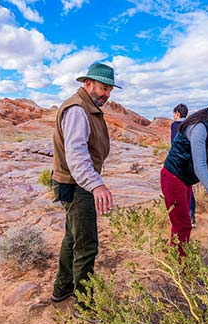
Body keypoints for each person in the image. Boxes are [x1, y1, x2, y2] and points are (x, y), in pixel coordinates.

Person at [51, 62, 120, 306]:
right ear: (87, 83)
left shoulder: (85, 107)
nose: (107, 94)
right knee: (86, 245)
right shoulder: (78, 109)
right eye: (103, 88)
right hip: (77, 185)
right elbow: (76, 154)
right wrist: (96, 185)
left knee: (72, 237)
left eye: (110, 89)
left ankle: (62, 289)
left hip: (75, 182)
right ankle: (84, 304)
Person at [160, 87, 208, 256]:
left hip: (184, 180)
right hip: (173, 177)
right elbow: (200, 166)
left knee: (182, 222)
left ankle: (176, 256)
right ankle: (182, 268)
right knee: (183, 225)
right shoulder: (200, 128)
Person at [170, 103, 197, 227]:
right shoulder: (190, 125)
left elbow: (174, 143)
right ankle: (191, 217)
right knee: (189, 190)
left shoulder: (175, 125)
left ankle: (182, 218)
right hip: (190, 161)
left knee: (179, 190)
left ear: (177, 113)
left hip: (179, 163)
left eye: (174, 114)